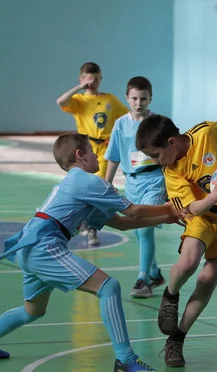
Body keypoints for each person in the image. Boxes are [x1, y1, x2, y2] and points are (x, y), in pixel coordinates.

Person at [0, 133, 178, 372]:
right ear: (80, 155)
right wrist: (172, 207)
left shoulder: (80, 184)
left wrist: (166, 217)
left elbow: (120, 223)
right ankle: (126, 360)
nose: (97, 154)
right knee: (109, 287)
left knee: (32, 311)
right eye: (92, 150)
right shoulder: (88, 181)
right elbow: (134, 211)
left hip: (29, 245)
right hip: (44, 244)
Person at [135, 115, 217, 367]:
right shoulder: (171, 170)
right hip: (203, 215)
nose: (155, 161)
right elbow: (194, 208)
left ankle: (177, 339)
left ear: (172, 142)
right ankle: (170, 295)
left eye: (156, 154)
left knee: (207, 279)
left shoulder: (207, 132)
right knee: (188, 263)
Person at [104, 76, 166, 298]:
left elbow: (172, 152)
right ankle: (156, 272)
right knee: (140, 233)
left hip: (155, 180)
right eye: (135, 98)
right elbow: (113, 157)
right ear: (127, 98)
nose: (139, 103)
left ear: (150, 99)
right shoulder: (120, 124)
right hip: (132, 182)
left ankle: (143, 279)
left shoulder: (159, 123)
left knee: (144, 227)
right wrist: (107, 183)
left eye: (144, 98)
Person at [57, 62, 128, 246]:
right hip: (85, 149)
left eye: (96, 79)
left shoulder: (110, 100)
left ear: (101, 79)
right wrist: (80, 87)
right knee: (84, 187)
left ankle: (92, 230)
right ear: (81, 79)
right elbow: (61, 101)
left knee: (100, 186)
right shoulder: (79, 101)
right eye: (89, 79)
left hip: (104, 149)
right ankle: (83, 222)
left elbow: (126, 118)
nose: (93, 82)